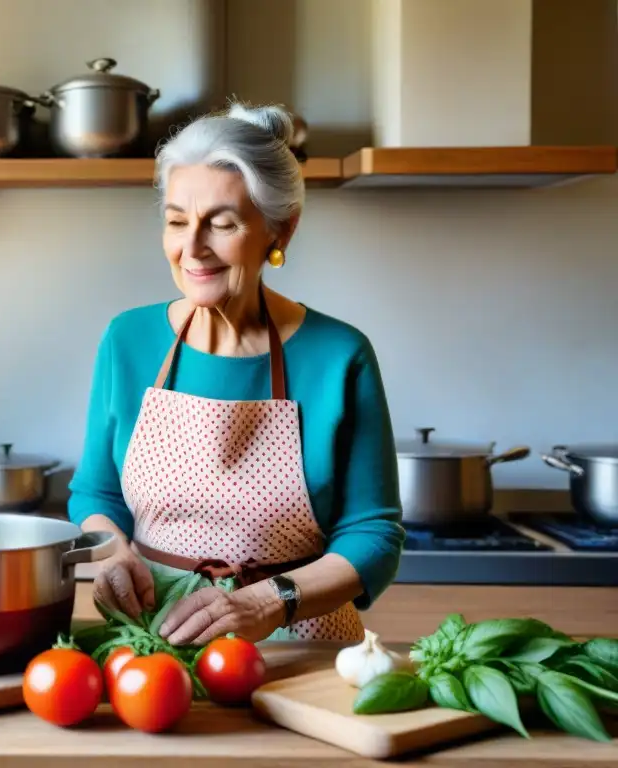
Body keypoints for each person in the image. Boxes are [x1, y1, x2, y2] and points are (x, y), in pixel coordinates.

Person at [67, 102, 405, 647]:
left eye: (222, 224)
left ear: (281, 230)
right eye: (177, 221)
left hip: (299, 645)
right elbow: (95, 493)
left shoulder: (341, 355)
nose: (192, 248)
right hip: (150, 643)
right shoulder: (127, 340)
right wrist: (111, 553)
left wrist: (270, 602)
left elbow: (374, 535)